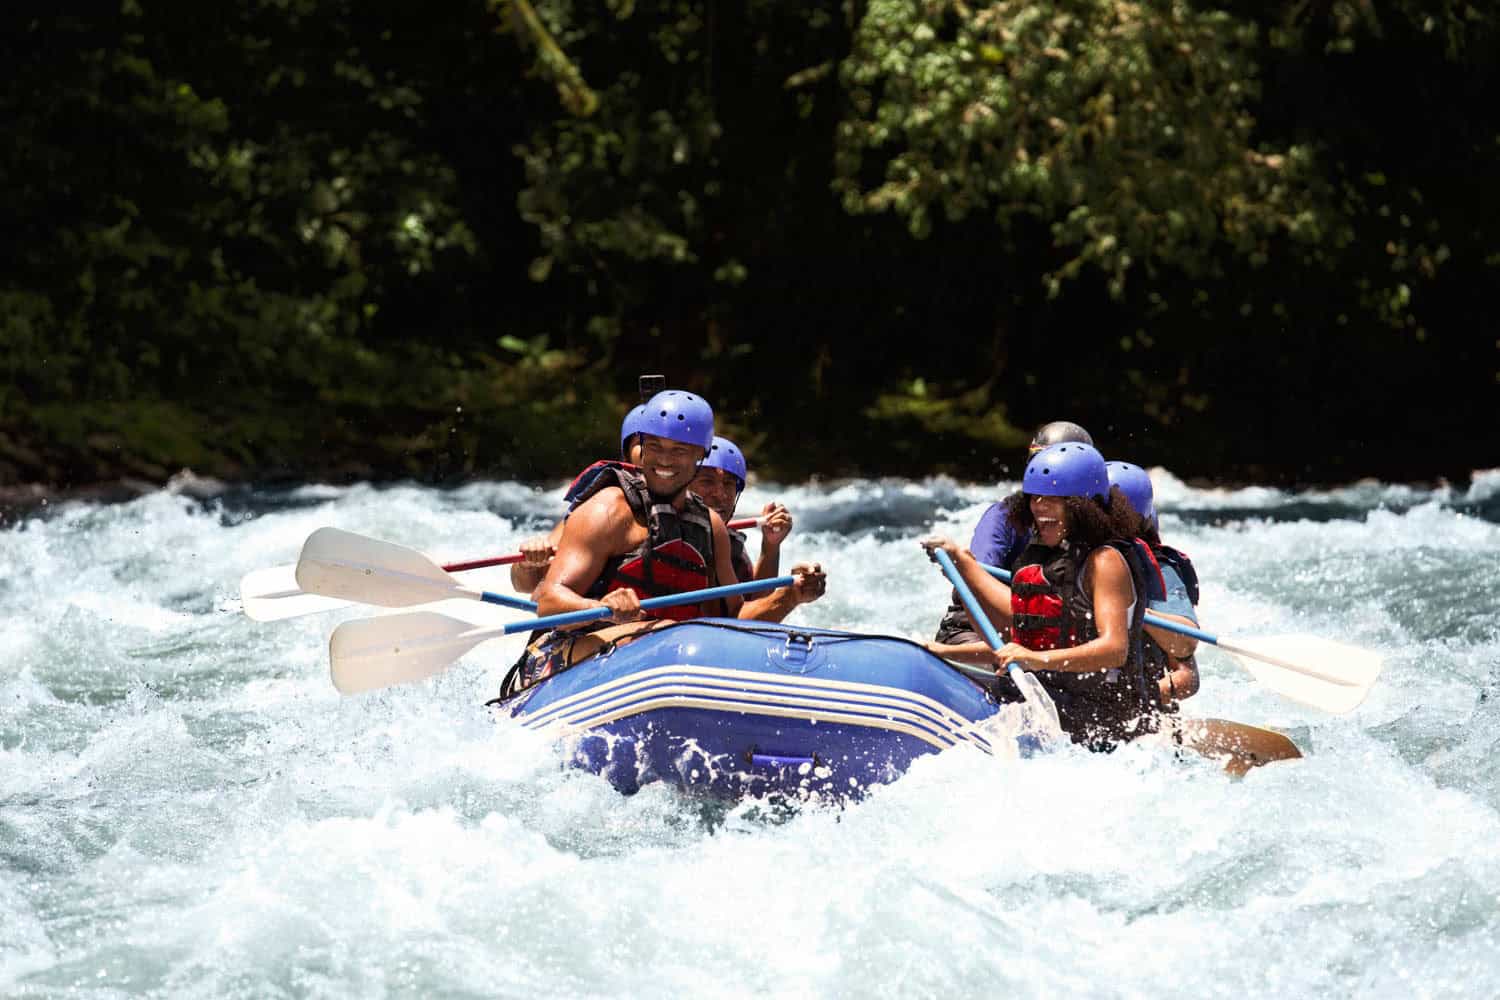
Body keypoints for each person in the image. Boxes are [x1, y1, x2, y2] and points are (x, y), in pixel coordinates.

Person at [921, 442, 1158, 751]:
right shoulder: (1046, 559)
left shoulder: (1106, 561)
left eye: (1052, 499)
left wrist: (1035, 660)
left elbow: (1113, 650)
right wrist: (940, 652)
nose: (1039, 506)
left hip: (1098, 718)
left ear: (1082, 505)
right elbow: (1018, 642)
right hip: (1047, 698)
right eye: (1034, 497)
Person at [510, 391, 744, 691]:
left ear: (701, 455)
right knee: (674, 637)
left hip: (675, 656)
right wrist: (600, 607)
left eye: (679, 450)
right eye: (655, 446)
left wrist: (789, 595)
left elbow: (735, 614)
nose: (664, 459)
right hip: (574, 654)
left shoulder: (710, 526)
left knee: (685, 639)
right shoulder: (606, 511)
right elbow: (549, 602)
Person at [930, 420, 1094, 653]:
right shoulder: (1006, 517)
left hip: (1051, 638)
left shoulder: (1099, 533)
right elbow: (973, 588)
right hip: (980, 630)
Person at [509, 405, 649, 594]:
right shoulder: (602, 507)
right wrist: (528, 565)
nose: (662, 456)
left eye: (676, 448)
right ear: (627, 451)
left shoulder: (696, 508)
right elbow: (525, 585)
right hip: (601, 617)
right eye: (649, 443)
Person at [688, 435, 826, 622]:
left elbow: (753, 609)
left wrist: (770, 547)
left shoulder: (729, 544)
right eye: (707, 481)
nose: (721, 494)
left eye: (728, 484)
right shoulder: (665, 532)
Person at [1106, 460, 1201, 710]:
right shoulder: (1069, 557)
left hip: (1137, 707)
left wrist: (1131, 612)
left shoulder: (1158, 570)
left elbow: (1188, 676)